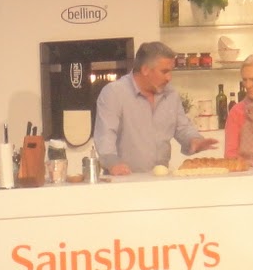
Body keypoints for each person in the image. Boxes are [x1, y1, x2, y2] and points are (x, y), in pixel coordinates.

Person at [93, 40, 218, 175]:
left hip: (161, 179)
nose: (169, 78)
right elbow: (105, 136)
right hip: (124, 180)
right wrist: (113, 163)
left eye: (170, 71)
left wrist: (194, 140)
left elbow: (182, 127)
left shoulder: (171, 94)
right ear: (145, 69)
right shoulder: (114, 93)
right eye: (164, 72)